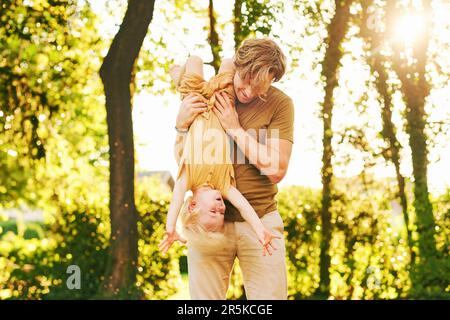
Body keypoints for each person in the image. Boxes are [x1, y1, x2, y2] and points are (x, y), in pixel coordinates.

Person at [172, 38, 295, 300]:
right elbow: (187, 161)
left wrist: (235, 129)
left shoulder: (280, 104)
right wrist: (181, 126)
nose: (248, 91)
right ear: (236, 65)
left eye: (259, 86)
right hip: (209, 222)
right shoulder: (216, 91)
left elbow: (276, 168)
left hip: (260, 220)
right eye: (245, 80)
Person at [158, 54, 280, 257]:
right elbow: (244, 207)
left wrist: (171, 229)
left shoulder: (187, 179)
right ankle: (179, 78)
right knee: (230, 63)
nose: (221, 207)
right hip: (221, 103)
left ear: (193, 205)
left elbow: (176, 201)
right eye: (221, 213)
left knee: (195, 60)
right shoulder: (224, 186)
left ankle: (180, 79)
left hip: (194, 100)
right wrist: (261, 230)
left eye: (213, 211)